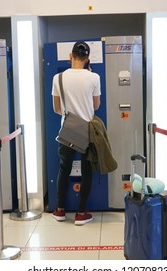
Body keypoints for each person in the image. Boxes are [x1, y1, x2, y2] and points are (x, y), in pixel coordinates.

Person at [51, 41, 101, 226]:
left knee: (64, 169)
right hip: (87, 130)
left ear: (70, 56)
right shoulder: (93, 77)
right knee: (87, 171)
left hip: (67, 129)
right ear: (87, 59)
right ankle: (81, 213)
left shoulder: (58, 78)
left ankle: (60, 210)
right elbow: (96, 106)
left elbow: (57, 108)